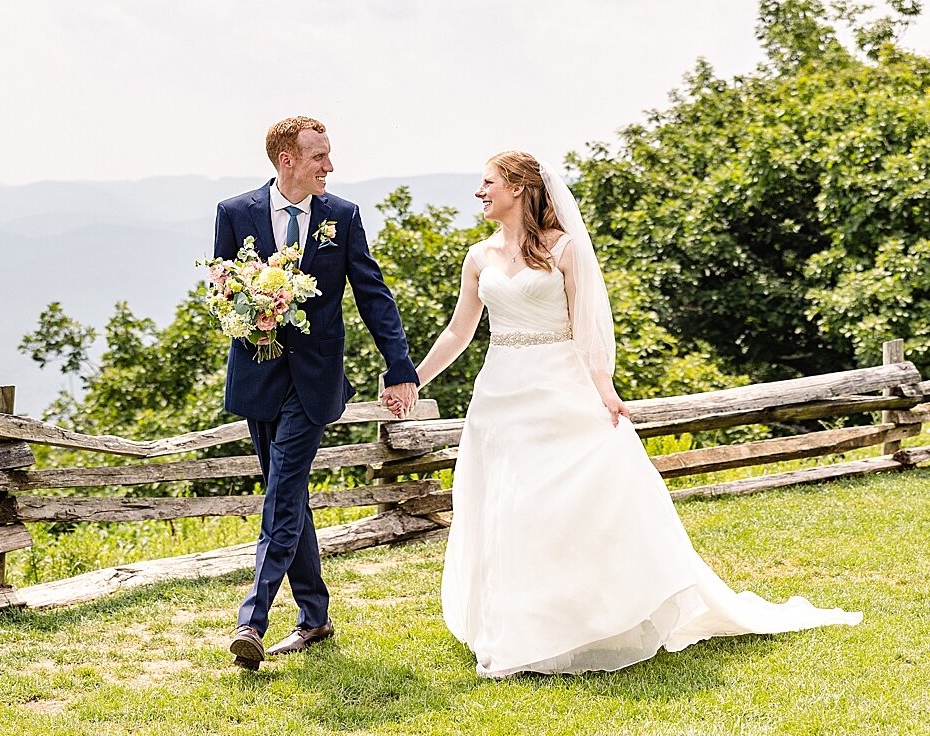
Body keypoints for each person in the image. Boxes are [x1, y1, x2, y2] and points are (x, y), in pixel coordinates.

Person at [402, 150, 862, 678]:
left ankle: (584, 619)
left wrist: (604, 388)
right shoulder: (478, 257)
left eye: (488, 183)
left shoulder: (565, 249)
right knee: (503, 503)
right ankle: (513, 627)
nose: (480, 193)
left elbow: (587, 325)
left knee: (560, 504)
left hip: (556, 388)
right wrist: (413, 380)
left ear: (520, 188)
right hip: (499, 395)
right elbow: (460, 331)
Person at [214, 116, 420, 669]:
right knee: (291, 495)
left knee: (281, 492)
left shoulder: (343, 217)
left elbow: (373, 296)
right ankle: (315, 617)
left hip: (315, 382)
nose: (329, 166)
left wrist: (399, 367)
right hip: (258, 375)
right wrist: (249, 309)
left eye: (328, 156)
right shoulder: (235, 214)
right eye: (319, 157)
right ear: (287, 161)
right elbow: (225, 288)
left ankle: (251, 621)